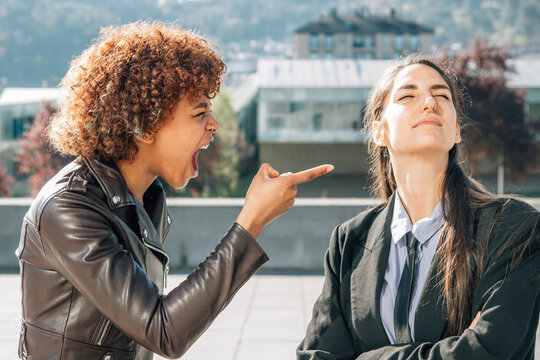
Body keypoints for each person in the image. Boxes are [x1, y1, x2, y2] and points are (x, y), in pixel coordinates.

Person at [16, 22, 333, 360]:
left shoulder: (144, 198)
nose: (214, 125)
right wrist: (251, 221)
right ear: (145, 125)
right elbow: (164, 331)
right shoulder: (68, 209)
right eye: (200, 112)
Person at [297, 57, 539, 359]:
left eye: (442, 95)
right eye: (407, 95)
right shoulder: (349, 243)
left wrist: (368, 357)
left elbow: (488, 352)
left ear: (456, 131)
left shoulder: (513, 227)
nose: (429, 102)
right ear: (379, 132)